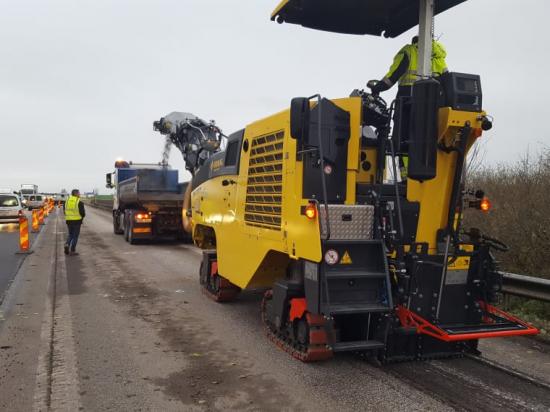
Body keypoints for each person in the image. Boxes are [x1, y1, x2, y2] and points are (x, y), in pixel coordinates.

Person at [369, 36, 448, 97]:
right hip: (434, 102)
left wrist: (378, 87)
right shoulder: (440, 59)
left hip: (408, 98)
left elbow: (394, 74)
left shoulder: (409, 51)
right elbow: (447, 82)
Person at [63, 189, 85, 255]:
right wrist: (81, 218)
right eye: (79, 193)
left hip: (69, 221)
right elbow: (83, 213)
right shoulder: (79, 202)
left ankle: (67, 244)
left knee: (70, 234)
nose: (79, 194)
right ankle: (72, 250)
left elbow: (64, 211)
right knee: (75, 236)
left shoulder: (66, 201)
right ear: (76, 194)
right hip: (77, 222)